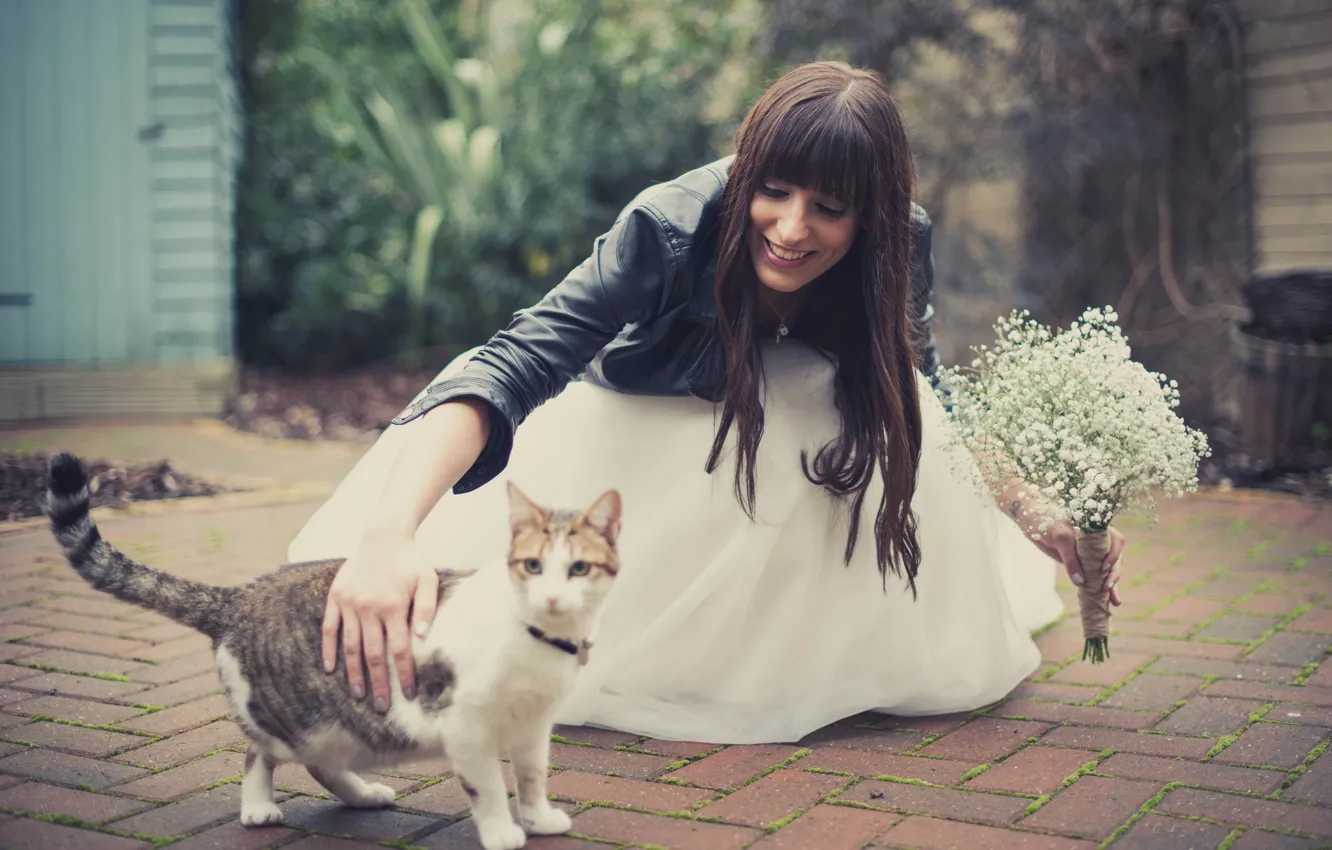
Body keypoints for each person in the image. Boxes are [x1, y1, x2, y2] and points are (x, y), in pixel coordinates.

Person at [288, 60, 1126, 744]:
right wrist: (390, 535)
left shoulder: (901, 241)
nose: (791, 229)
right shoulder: (667, 226)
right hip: (645, 427)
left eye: (830, 209)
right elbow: (512, 363)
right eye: (775, 191)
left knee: (865, 394)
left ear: (870, 216)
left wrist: (1031, 508)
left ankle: (808, 644)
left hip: (792, 447)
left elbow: (925, 386)